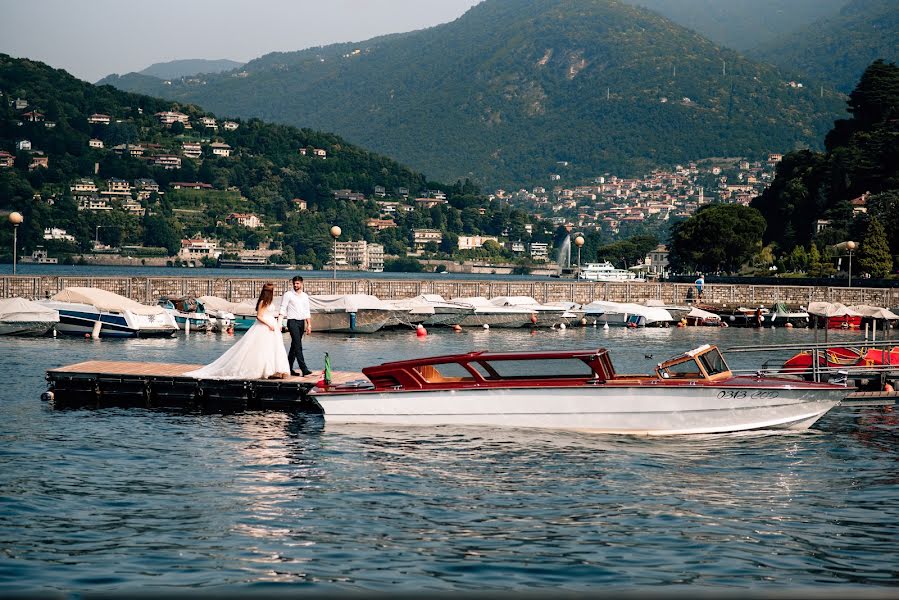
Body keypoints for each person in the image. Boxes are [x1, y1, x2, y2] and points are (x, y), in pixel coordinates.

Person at [185, 283, 290, 380]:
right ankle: (264, 370)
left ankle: (272, 369)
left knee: (271, 348)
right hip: (265, 326)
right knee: (261, 349)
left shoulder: (269, 302)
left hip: (272, 326)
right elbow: (259, 316)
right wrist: (269, 325)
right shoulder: (263, 302)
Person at [279, 275, 312, 376]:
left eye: (297, 283)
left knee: (294, 346)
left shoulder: (305, 296)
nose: (295, 285)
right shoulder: (288, 294)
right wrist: (279, 322)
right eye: (294, 283)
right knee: (298, 345)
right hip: (292, 321)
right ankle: (304, 369)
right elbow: (283, 308)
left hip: (301, 322)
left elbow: (307, 311)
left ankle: (288, 368)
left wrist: (309, 325)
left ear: (301, 284)